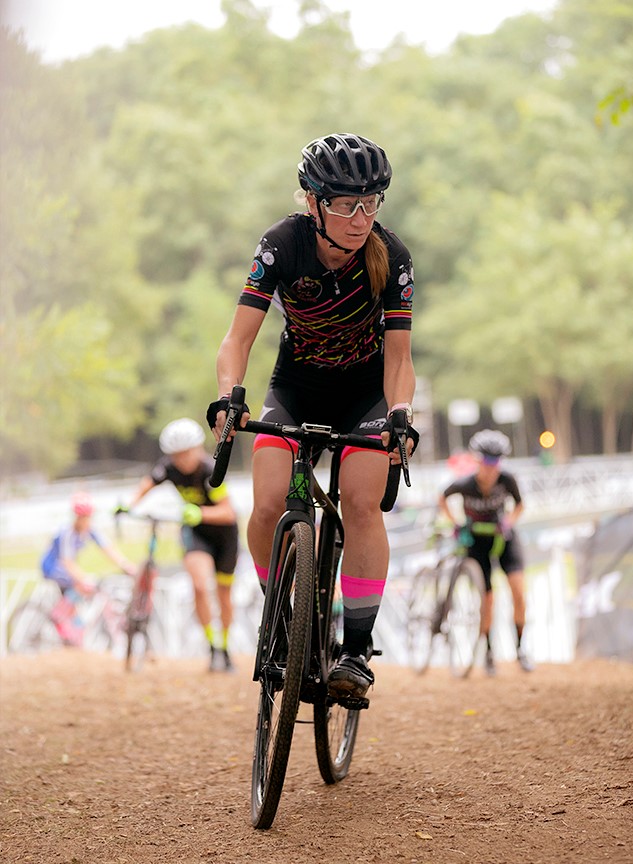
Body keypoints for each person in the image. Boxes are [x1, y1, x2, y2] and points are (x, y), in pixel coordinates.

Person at [208, 132, 417, 699]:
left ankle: (355, 651)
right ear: (313, 202)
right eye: (346, 205)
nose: (360, 219)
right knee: (268, 504)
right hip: (296, 388)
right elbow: (237, 339)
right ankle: (283, 617)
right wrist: (230, 396)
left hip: (364, 395)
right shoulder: (282, 245)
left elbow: (399, 358)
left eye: (370, 204)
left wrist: (400, 413)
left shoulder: (392, 255)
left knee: (361, 503)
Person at [124, 418, 239, 672]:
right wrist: (128, 505)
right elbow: (146, 485)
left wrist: (200, 512)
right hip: (195, 533)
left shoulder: (210, 471)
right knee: (199, 586)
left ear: (198, 448)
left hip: (225, 536)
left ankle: (225, 647)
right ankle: (212, 647)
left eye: (186, 453)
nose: (181, 460)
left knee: (223, 594)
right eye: (176, 455)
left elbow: (229, 513)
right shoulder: (168, 468)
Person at [438, 429, 533, 675]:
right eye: (486, 462)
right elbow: (442, 497)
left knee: (518, 591)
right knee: (487, 600)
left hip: (503, 538)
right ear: (477, 461)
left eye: (496, 462)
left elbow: (520, 505)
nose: (491, 468)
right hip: (476, 541)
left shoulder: (507, 480)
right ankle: (489, 653)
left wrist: (509, 522)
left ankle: (520, 649)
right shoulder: (464, 484)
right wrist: (455, 523)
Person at [41, 492, 136, 646]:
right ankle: (58, 614)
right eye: (82, 517)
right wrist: (84, 578)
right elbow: (67, 562)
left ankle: (71, 626)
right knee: (83, 585)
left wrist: (126, 565)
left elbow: (107, 549)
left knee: (83, 592)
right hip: (52, 567)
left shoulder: (90, 530)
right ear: (76, 517)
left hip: (65, 567)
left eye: (88, 516)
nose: (85, 520)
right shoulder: (67, 532)